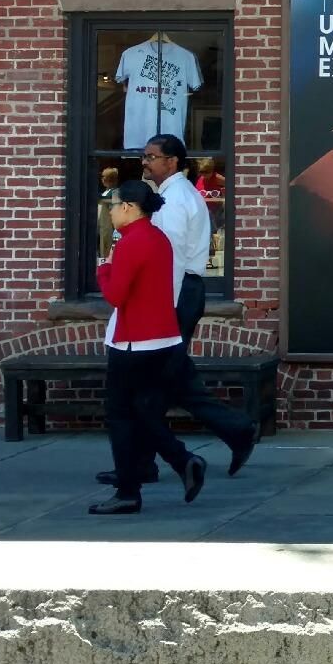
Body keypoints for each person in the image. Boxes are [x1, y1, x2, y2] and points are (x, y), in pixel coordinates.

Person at [95, 135, 256, 489]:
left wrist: (156, 312)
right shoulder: (176, 196)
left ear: (172, 161)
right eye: (144, 156)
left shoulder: (173, 200)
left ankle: (145, 463)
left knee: (156, 383)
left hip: (175, 294)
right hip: (177, 294)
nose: (145, 162)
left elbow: (169, 261)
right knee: (172, 379)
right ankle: (145, 461)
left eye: (151, 156)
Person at [90, 181, 205, 515]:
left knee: (120, 415)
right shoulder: (158, 238)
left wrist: (103, 266)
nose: (109, 211)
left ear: (128, 207)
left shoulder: (130, 243)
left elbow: (115, 295)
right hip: (164, 338)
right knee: (141, 411)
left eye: (112, 205)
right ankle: (183, 460)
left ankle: (129, 490)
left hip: (133, 342)